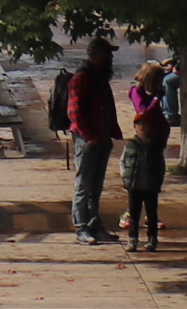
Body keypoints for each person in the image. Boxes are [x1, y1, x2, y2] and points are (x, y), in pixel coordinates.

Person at [54, 35, 119, 244]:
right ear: (98, 55)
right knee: (84, 184)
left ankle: (94, 225)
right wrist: (90, 137)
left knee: (96, 186)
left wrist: (110, 133)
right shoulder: (82, 78)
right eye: (107, 54)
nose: (110, 58)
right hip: (87, 140)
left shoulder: (99, 77)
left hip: (103, 138)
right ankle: (81, 227)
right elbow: (74, 112)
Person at [120, 57, 170, 251]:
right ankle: (133, 230)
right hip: (149, 136)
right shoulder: (136, 91)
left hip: (157, 138)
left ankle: (151, 234)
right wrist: (156, 99)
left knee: (152, 173)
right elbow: (143, 111)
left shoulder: (148, 93)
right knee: (136, 201)